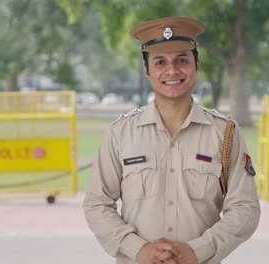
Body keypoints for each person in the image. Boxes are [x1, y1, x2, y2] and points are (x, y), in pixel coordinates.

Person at [83, 16, 260, 264]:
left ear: (197, 63)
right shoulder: (120, 133)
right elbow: (97, 204)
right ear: (146, 70)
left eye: (182, 60)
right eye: (160, 62)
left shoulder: (225, 133)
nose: (172, 70)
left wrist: (197, 251)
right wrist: (138, 249)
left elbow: (245, 209)